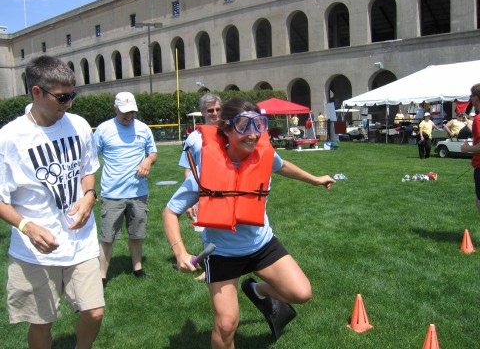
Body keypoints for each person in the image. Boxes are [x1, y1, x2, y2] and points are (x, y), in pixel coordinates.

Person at [163, 97, 336, 347]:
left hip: (261, 244)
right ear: (226, 129)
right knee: (225, 325)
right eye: (244, 126)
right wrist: (179, 252)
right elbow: (169, 212)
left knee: (301, 293)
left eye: (259, 125)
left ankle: (257, 290)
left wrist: (315, 179)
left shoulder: (263, 156)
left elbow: (283, 165)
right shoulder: (206, 171)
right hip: (221, 253)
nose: (253, 134)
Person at [0, 55, 104, 349]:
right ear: (36, 92)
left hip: (80, 241)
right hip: (34, 251)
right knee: (42, 321)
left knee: (94, 312)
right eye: (62, 97)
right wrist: (27, 226)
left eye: (72, 95)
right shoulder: (9, 138)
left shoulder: (80, 125)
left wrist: (89, 196)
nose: (69, 103)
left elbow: (87, 170)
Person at [94, 92, 157, 285]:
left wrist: (148, 160)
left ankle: (137, 268)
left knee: (137, 234)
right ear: (115, 109)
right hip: (112, 194)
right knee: (107, 237)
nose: (129, 116)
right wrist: (88, 189)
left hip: (138, 193)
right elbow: (89, 160)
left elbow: (153, 151)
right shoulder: (104, 129)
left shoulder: (143, 128)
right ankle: (102, 276)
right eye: (124, 113)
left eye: (132, 112)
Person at [178, 93, 222, 281]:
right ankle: (210, 268)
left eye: (218, 109)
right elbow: (188, 169)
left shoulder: (229, 133)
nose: (214, 114)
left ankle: (227, 264)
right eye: (210, 110)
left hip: (227, 189)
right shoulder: (193, 139)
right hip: (203, 192)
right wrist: (190, 200)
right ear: (203, 112)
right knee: (208, 230)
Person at [461, 84, 480, 211]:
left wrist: (467, 148)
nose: (470, 99)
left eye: (471, 96)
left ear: (477, 98)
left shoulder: (478, 119)